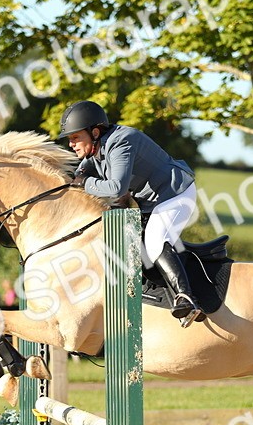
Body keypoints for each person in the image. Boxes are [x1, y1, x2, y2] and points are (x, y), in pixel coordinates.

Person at [58, 100, 202, 326]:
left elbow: (117, 188)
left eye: (76, 137)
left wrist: (84, 183)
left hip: (175, 194)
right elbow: (83, 172)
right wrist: (76, 178)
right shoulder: (95, 149)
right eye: (70, 139)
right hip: (152, 203)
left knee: (155, 241)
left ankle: (186, 297)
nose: (71, 144)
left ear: (95, 132)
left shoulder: (121, 142)